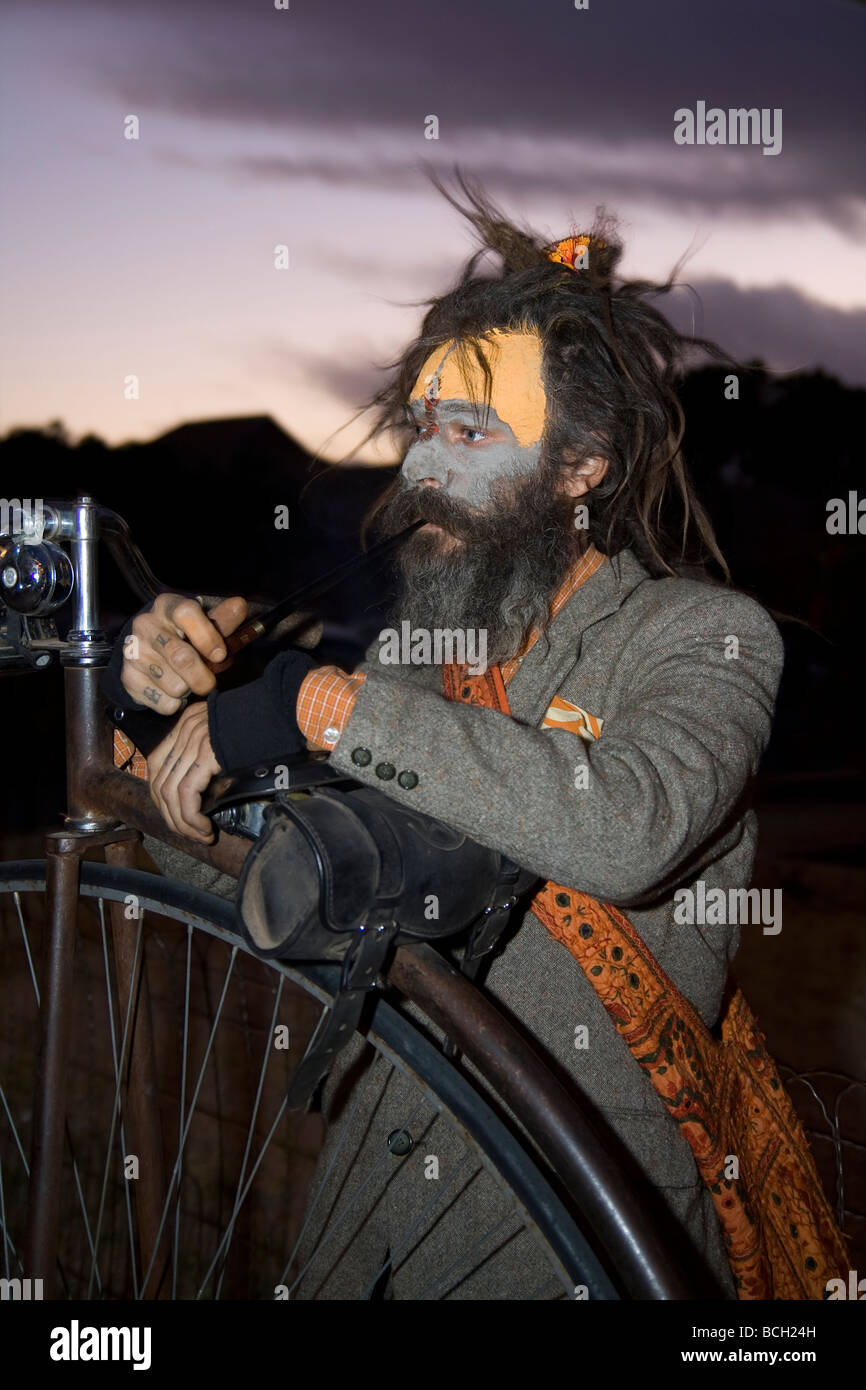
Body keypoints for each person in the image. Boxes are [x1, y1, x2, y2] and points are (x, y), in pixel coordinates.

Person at [104, 176, 785, 1299]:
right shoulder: (419, 655)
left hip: (577, 1233)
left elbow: (626, 829)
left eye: (471, 432)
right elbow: (262, 873)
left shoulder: (705, 636)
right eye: (423, 428)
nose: (425, 468)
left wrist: (312, 704)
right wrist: (170, 721)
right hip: (368, 1218)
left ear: (580, 468)